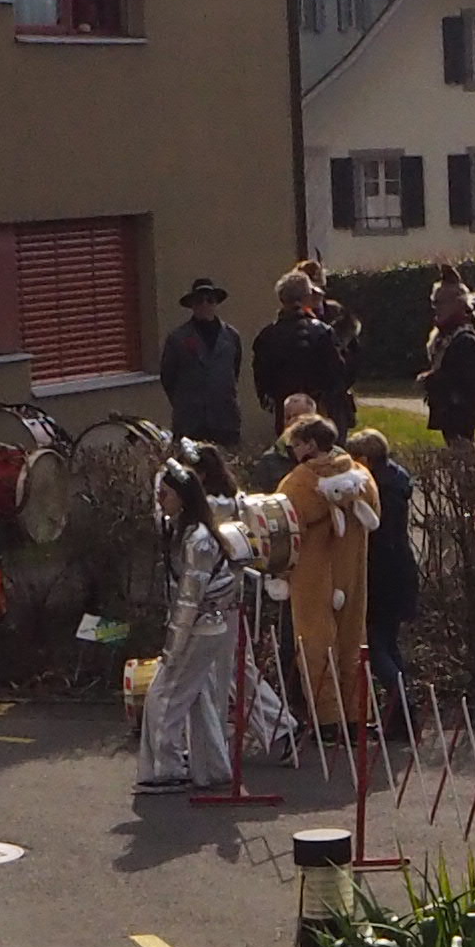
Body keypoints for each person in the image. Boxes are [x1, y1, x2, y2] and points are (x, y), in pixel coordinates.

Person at [139, 448, 256, 792]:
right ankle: (212, 767)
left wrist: (172, 649)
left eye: (166, 494)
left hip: (200, 627)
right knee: (198, 698)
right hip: (205, 625)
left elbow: (189, 600)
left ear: (183, 498)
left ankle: (166, 767)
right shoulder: (185, 531)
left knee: (164, 696)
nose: (160, 500)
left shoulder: (199, 541)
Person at [279, 415, 380, 738]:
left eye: (296, 444)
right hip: (352, 572)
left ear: (310, 445)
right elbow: (376, 511)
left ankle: (328, 720)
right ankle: (358, 715)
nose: (293, 450)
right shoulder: (360, 475)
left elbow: (283, 527)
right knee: (353, 642)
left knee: (315, 645)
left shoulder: (299, 482)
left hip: (313, 576)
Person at [353, 425, 423, 728]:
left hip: (381, 576)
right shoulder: (396, 480)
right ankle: (400, 713)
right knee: (389, 644)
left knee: (376, 644)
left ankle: (402, 708)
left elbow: (377, 538)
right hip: (399, 573)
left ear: (365, 460)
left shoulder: (376, 490)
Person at [251, 268, 357, 449]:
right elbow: (339, 373)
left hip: (284, 411)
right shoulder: (322, 332)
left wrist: (275, 402)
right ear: (307, 297)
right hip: (320, 409)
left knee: (288, 454)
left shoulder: (267, 336)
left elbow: (262, 380)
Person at [157, 278, 251, 455]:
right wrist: (186, 402)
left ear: (216, 303)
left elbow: (234, 370)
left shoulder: (231, 336)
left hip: (224, 419)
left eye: (210, 300)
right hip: (191, 422)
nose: (205, 305)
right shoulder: (178, 338)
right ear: (192, 305)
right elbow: (168, 377)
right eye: (199, 300)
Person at [421, 275, 475, 447]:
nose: (436, 308)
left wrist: (432, 379)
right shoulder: (448, 335)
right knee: (455, 449)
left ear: (456, 304)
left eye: (440, 302)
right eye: (434, 303)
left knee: (462, 450)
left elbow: (465, 379)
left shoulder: (464, 339)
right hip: (450, 408)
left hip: (461, 409)